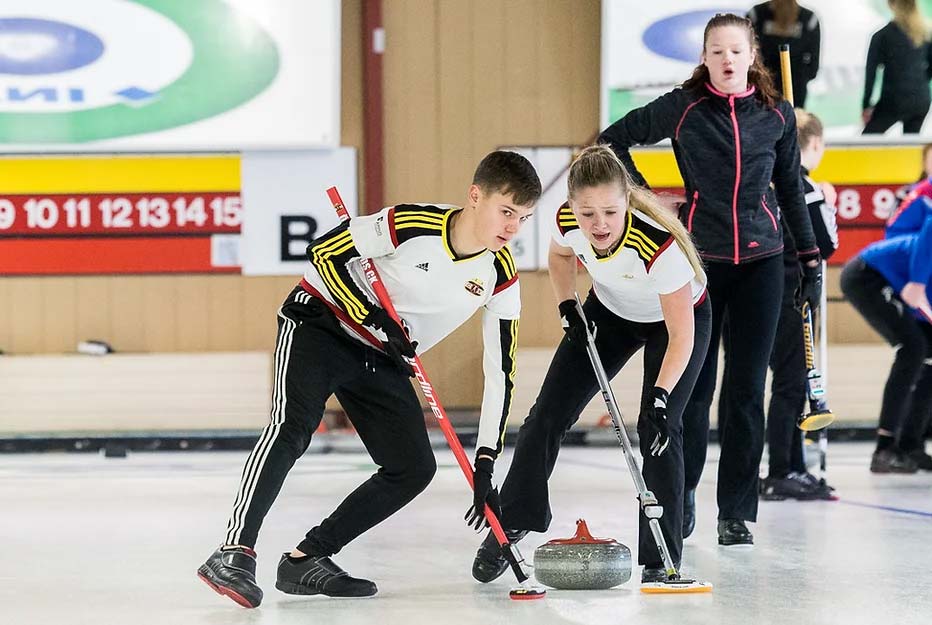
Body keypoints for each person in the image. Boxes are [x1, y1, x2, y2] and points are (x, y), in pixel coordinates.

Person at [197, 151, 542, 608]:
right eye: (507, 212)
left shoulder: (500, 276)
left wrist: (485, 462)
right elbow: (324, 252)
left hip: (382, 354)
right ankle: (233, 552)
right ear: (476, 196)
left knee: (413, 469)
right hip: (319, 322)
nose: (513, 228)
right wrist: (372, 315)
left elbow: (501, 371)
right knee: (291, 427)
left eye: (524, 218)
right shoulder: (411, 223)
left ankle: (306, 559)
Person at [598, 13, 821, 547]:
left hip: (764, 263)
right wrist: (652, 205)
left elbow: (791, 188)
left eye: (735, 51)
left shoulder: (777, 115)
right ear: (704, 57)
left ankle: (736, 512)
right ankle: (684, 497)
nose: (726, 60)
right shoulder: (684, 108)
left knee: (746, 391)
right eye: (716, 51)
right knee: (695, 390)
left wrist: (810, 260)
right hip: (698, 264)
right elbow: (612, 143)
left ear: (751, 57)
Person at [469, 145, 710, 585]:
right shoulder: (567, 222)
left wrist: (659, 398)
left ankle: (660, 555)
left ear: (626, 205)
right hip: (608, 312)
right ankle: (515, 518)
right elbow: (561, 257)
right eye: (587, 213)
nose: (598, 224)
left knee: (660, 429)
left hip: (673, 324)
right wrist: (567, 305)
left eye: (610, 213)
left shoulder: (659, 246)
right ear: (573, 207)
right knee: (545, 416)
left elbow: (682, 337)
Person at [759, 109, 839, 501]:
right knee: (791, 385)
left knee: (789, 383)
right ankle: (781, 470)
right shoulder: (803, 187)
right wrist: (830, 203)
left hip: (773, 296)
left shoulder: (769, 184)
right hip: (793, 296)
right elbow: (826, 244)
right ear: (816, 144)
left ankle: (794, 466)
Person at [840, 215, 932, 473]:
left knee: (928, 355)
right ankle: (885, 447)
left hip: (904, 287)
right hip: (869, 274)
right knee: (912, 349)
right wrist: (918, 281)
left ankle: (910, 445)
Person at [862, 0, 932, 135]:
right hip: (920, 99)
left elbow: (870, 74)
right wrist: (920, 83)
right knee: (910, 144)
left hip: (893, 100)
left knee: (867, 140)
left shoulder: (882, 36)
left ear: (891, 5)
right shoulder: (925, 34)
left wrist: (866, 105)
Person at [747, 1, 821, 108]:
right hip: (762, 92)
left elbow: (813, 66)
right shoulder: (756, 15)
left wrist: (798, 79)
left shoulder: (809, 20)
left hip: (793, 93)